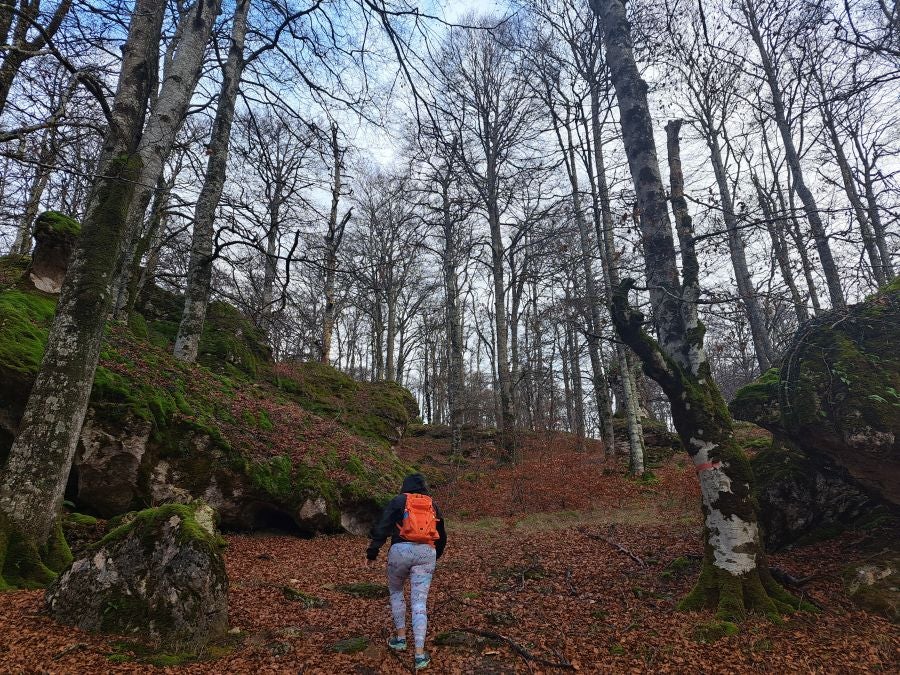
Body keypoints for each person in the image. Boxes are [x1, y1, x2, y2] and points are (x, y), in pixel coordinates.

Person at [365, 473, 447, 670]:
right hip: (426, 552)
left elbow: (383, 526)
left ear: (405, 486)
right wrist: (435, 555)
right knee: (419, 602)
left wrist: (372, 552)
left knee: (396, 592)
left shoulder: (399, 500)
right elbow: (442, 535)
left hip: (400, 551)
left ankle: (401, 639)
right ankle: (419, 655)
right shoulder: (432, 505)